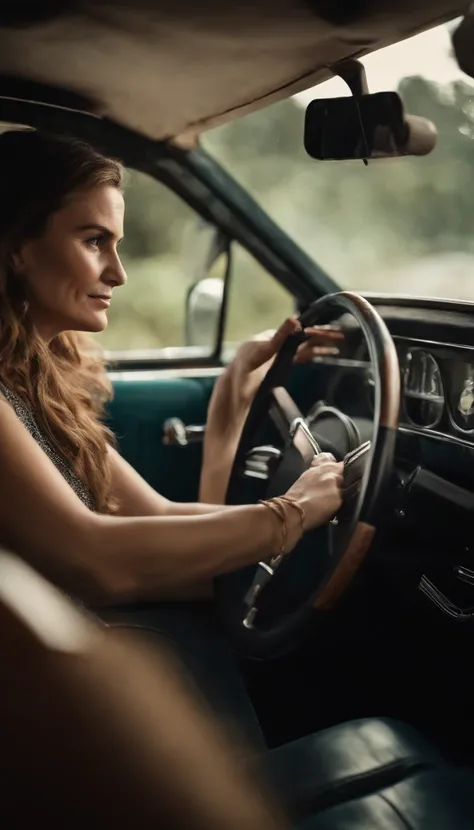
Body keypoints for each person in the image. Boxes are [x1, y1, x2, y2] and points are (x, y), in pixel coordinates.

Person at [0, 129, 343, 746]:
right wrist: (291, 514)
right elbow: (99, 562)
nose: (119, 272)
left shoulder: (32, 383)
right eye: (93, 240)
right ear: (16, 246)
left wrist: (230, 399)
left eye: (116, 244)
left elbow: (158, 523)